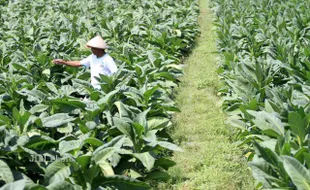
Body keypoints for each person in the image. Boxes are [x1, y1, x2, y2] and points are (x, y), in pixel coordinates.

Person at [52, 35, 117, 90]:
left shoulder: (107, 59)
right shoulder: (92, 57)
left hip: (104, 89)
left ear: (99, 48)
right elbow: (79, 63)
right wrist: (64, 62)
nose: (91, 50)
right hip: (93, 87)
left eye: (93, 48)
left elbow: (115, 74)